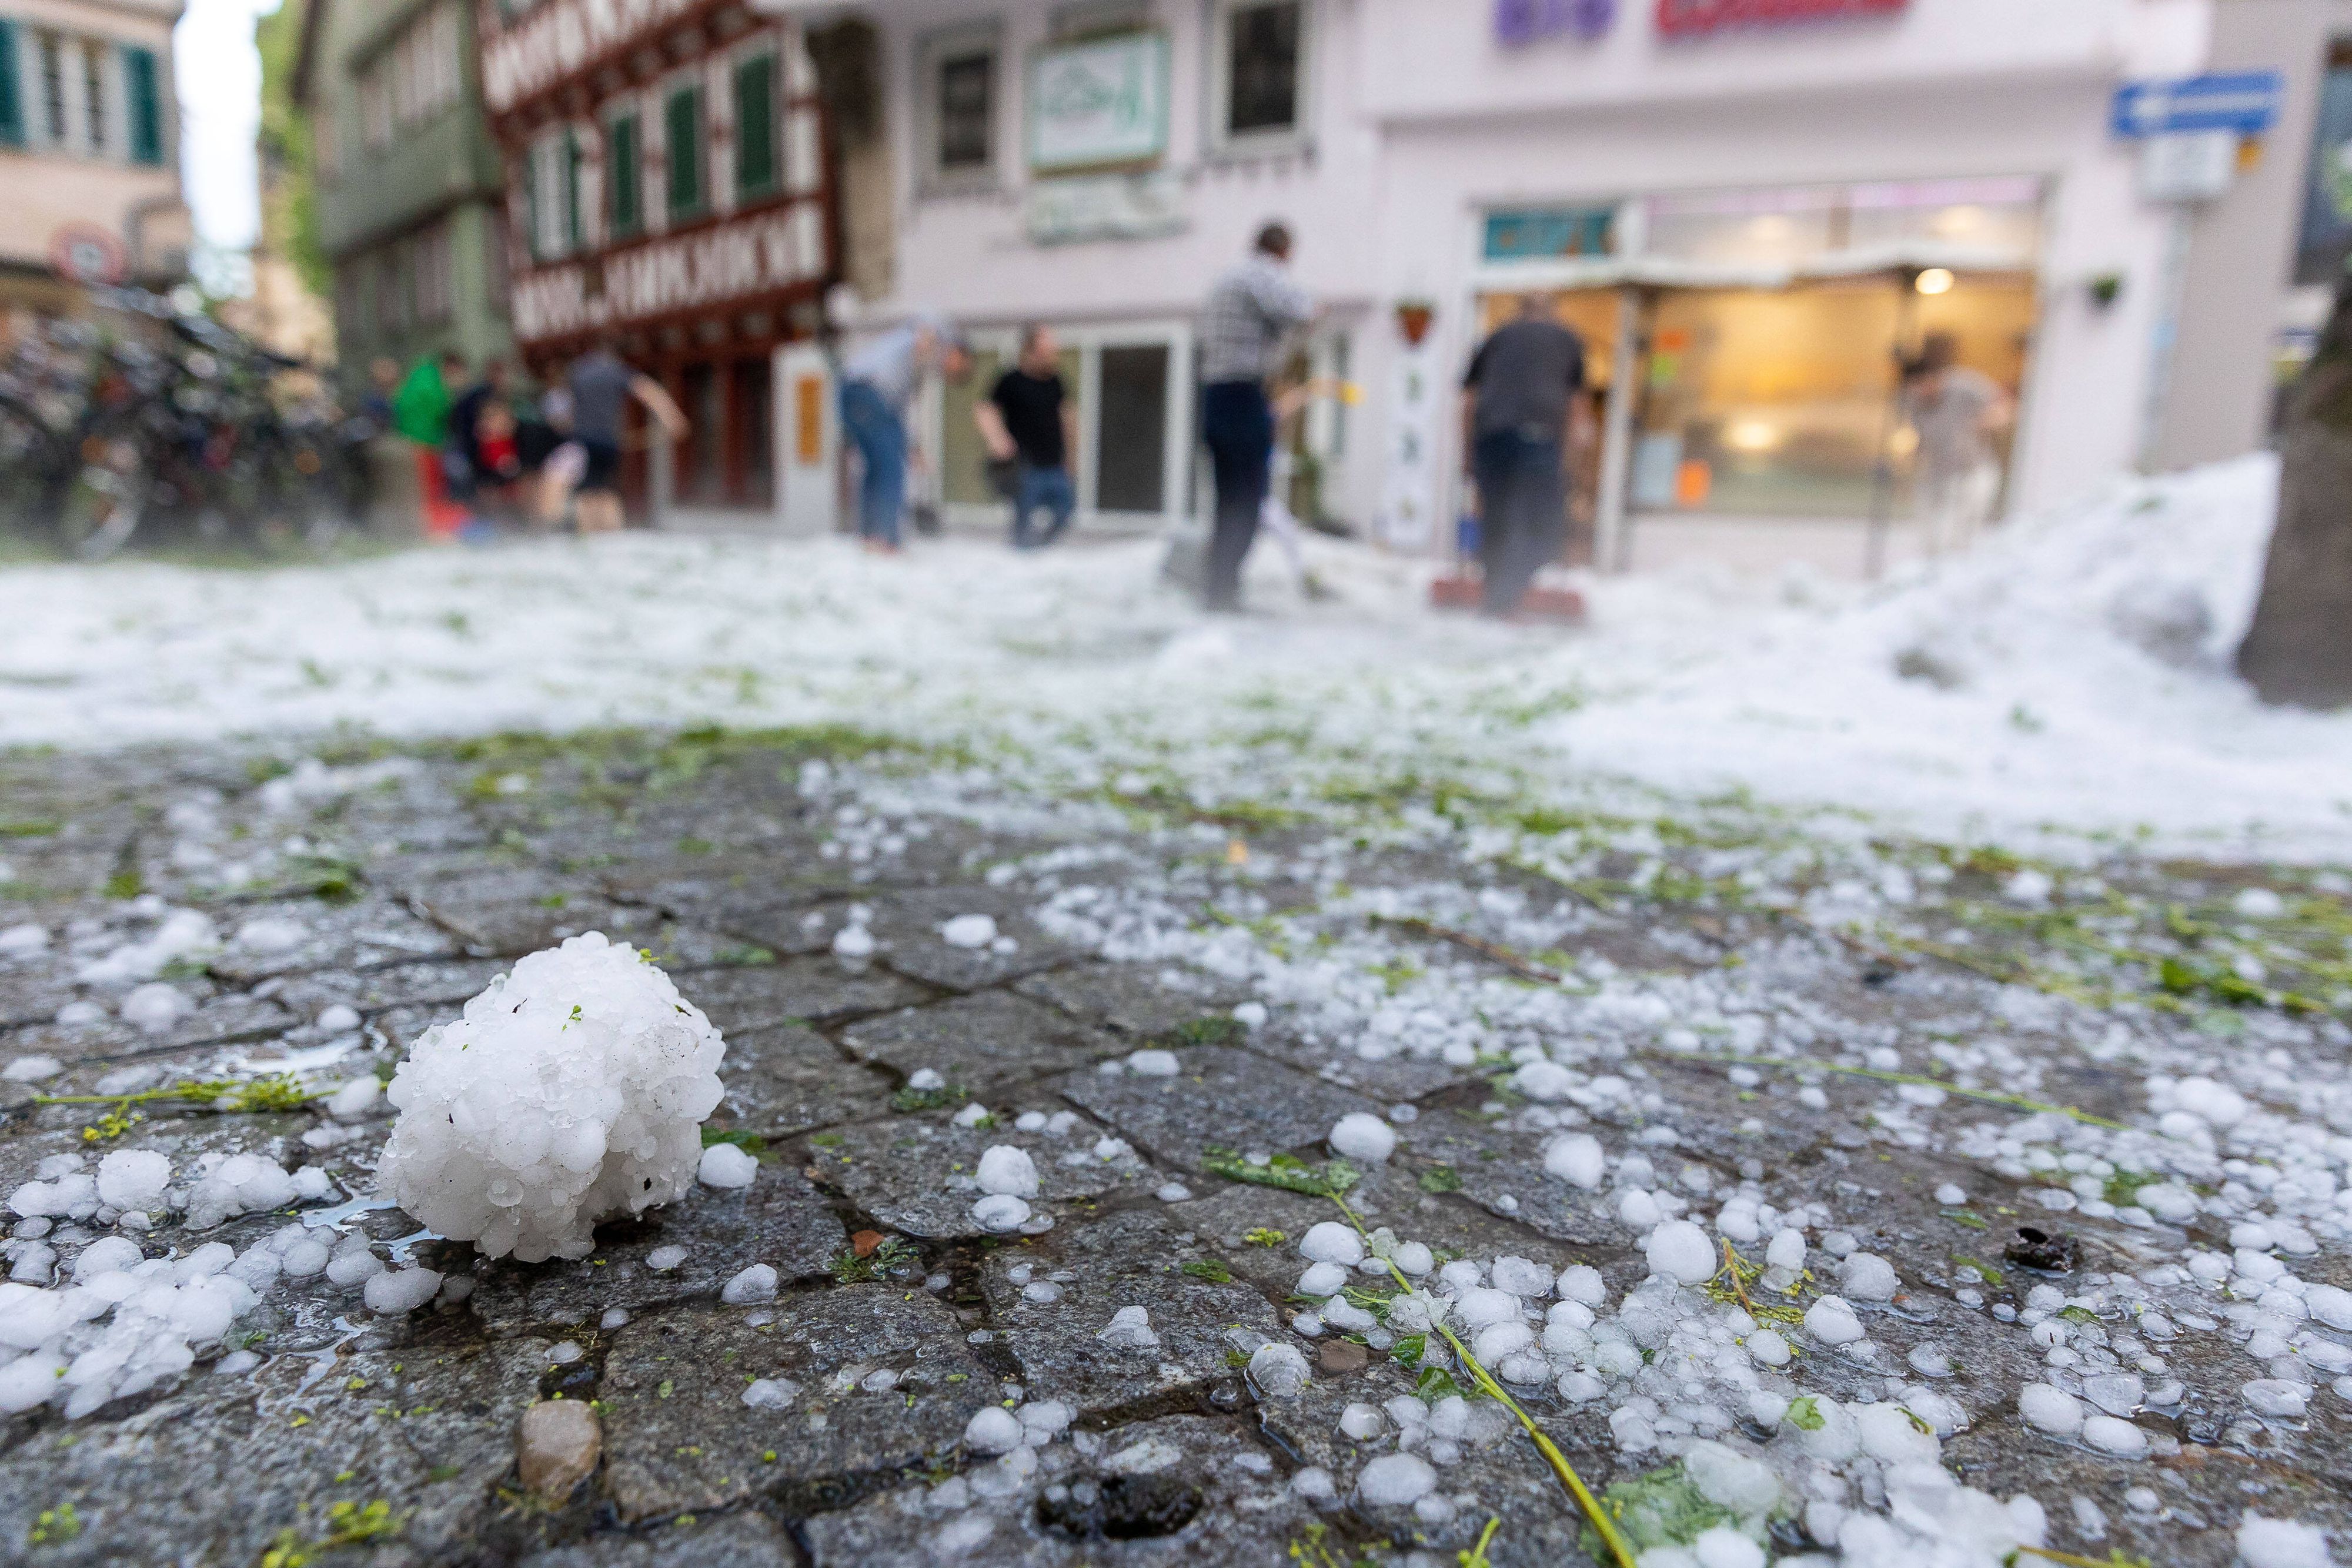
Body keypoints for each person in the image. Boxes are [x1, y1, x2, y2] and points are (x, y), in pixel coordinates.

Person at [1199, 223, 1313, 610]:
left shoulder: (1224, 281)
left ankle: (1217, 586)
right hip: (1242, 396)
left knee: (1227, 499)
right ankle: (1224, 591)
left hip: (1215, 395)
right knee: (1249, 500)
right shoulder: (1261, 273)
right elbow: (1300, 308)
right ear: (1282, 250)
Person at [1461, 294, 1586, 616]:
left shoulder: (1495, 338)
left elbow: (1469, 401)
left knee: (1496, 521)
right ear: (1551, 313)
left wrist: (1468, 454)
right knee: (1537, 524)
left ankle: (1495, 601)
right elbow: (1577, 407)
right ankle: (1506, 601)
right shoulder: (1566, 341)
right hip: (1537, 441)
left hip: (1491, 441)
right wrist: (1572, 459)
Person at [838, 313, 972, 553]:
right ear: (958, 353)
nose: (950, 373)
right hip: (868, 391)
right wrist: (927, 337)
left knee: (877, 466)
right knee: (890, 467)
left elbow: (899, 408)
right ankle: (887, 539)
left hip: (856, 392)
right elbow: (925, 319)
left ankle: (869, 537)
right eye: (958, 368)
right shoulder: (938, 337)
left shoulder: (921, 361)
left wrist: (912, 446)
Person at [1903, 331, 2013, 557]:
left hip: (1974, 470)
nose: (1921, 392)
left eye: (1925, 385)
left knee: (1962, 536)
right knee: (1932, 537)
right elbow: (1921, 438)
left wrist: (1986, 422)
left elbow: (2003, 407)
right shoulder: (1912, 402)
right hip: (1938, 472)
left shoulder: (1965, 387)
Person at [566, 340, 687, 535]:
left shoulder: (579, 372)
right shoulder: (616, 371)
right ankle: (611, 537)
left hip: (582, 438)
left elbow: (571, 410)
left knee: (587, 488)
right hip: (608, 439)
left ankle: (588, 537)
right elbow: (649, 391)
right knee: (608, 490)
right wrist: (672, 419)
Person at [975, 325, 1078, 550]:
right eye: (1048, 350)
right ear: (1030, 350)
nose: (1054, 355)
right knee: (1023, 520)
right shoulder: (1011, 381)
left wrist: (1072, 456)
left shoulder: (1056, 382)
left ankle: (1040, 551)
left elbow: (1068, 416)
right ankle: (1019, 558)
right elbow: (984, 409)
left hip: (1054, 465)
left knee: (1066, 511)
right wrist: (997, 440)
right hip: (1024, 467)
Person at [391, 351, 466, 537]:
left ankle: (428, 526)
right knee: (430, 486)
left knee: (422, 486)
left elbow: (398, 404)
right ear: (451, 368)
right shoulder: (434, 383)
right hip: (427, 441)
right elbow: (442, 409)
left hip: (411, 439)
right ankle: (434, 529)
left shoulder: (417, 378)